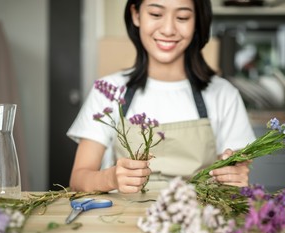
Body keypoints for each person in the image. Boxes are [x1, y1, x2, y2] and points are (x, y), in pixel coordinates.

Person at [67, 0, 256, 193]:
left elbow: (237, 173)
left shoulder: (224, 95)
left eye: (182, 17)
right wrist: (110, 178)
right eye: (156, 14)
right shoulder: (107, 90)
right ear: (136, 15)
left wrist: (234, 176)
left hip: (198, 220)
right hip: (122, 220)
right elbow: (78, 178)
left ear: (197, 20)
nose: (168, 29)